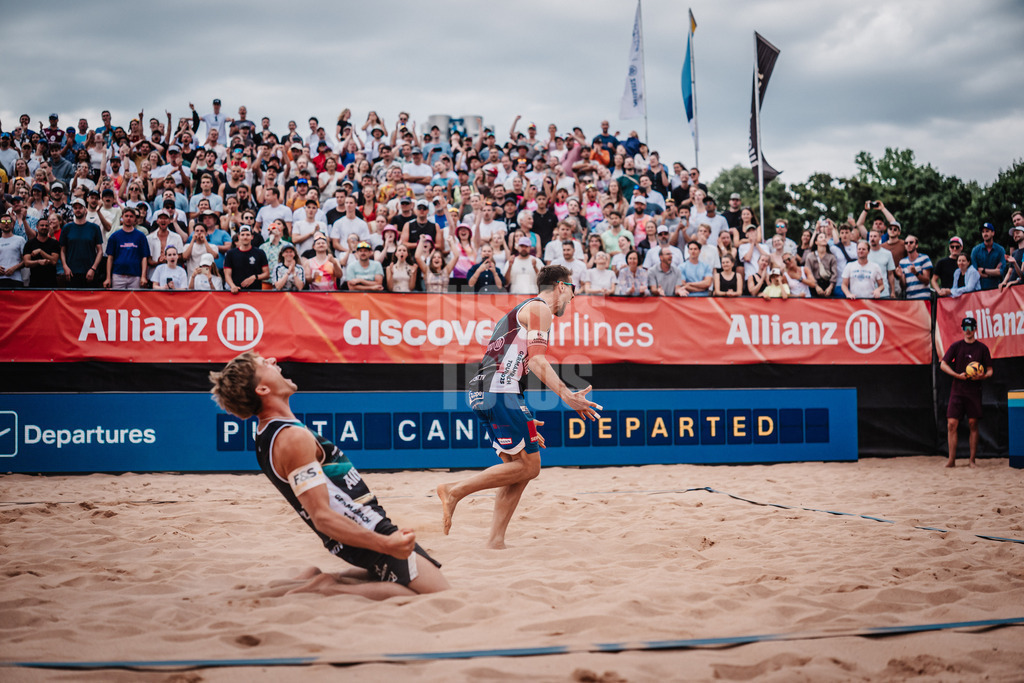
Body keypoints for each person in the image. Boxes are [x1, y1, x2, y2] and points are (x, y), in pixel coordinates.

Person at [209, 353, 449, 597]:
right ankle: (328, 588)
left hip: (357, 532)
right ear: (261, 388)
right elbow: (322, 516)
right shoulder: (291, 438)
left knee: (408, 579)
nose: (272, 360)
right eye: (264, 364)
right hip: (365, 530)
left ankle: (323, 578)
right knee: (436, 594)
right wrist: (386, 544)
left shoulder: (268, 433)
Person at [436, 266, 600, 549]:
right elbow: (536, 361)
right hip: (499, 389)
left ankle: (495, 541)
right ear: (561, 286)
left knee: (519, 467)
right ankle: (454, 491)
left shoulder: (523, 311)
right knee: (530, 466)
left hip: (488, 390)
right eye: (573, 289)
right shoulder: (540, 309)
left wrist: (520, 418)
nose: (574, 297)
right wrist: (567, 395)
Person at [939, 317, 993, 468]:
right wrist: (956, 375)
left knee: (973, 423)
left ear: (975, 328)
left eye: (971, 327)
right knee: (951, 424)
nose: (968, 330)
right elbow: (943, 364)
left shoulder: (982, 348)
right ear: (962, 329)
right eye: (965, 327)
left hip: (974, 391)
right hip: (957, 390)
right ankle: (951, 460)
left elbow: (990, 370)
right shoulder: (956, 346)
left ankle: (972, 460)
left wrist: (982, 376)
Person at [59, 197, 103, 288]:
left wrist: (93, 268)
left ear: (85, 209)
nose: (78, 210)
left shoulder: (94, 228)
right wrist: (65, 267)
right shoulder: (67, 228)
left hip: (89, 272)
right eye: (75, 208)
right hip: (71, 272)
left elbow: (100, 251)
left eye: (80, 207)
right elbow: (62, 250)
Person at [103, 206, 150, 289]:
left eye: (131, 216)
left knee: (134, 301)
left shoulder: (141, 236)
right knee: (118, 300)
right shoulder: (114, 236)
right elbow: (110, 258)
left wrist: (143, 276)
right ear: (122, 217)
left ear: (135, 219)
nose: (129, 218)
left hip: (135, 276)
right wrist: (108, 278)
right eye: (126, 216)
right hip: (118, 275)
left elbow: (144, 258)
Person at [223, 225, 270, 293]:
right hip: (237, 292)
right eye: (243, 235)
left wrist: (254, 277)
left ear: (252, 237)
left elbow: (267, 274)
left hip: (255, 292)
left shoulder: (260, 253)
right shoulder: (231, 253)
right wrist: (232, 286)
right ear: (239, 237)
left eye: (248, 235)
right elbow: (227, 274)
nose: (245, 237)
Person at [970, 222, 1006, 291]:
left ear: (993, 233)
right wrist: (993, 272)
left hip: (996, 288)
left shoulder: (1000, 250)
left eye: (987, 231)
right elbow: (975, 272)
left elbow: (1000, 272)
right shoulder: (975, 250)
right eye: (983, 232)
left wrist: (983, 270)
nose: (985, 234)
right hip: (979, 289)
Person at [897, 234, 933, 300]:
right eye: (906, 243)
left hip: (923, 297)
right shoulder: (902, 262)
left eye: (911, 242)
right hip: (910, 299)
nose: (908, 244)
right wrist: (900, 276)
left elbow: (927, 281)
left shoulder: (924, 258)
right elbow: (903, 287)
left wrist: (915, 273)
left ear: (916, 245)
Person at [803, 232, 838, 298]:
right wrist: (816, 286)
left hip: (828, 286)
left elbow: (834, 274)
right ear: (816, 242)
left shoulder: (831, 257)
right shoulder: (810, 256)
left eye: (825, 237)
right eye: (821, 237)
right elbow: (808, 273)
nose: (824, 239)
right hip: (814, 286)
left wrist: (830, 287)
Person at [0, 214, 27, 288]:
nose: (6, 223)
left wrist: (14, 268)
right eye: (3, 221)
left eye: (8, 221)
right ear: (0, 225)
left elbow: (26, 260)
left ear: (12, 224)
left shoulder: (20, 240)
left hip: (16, 279)